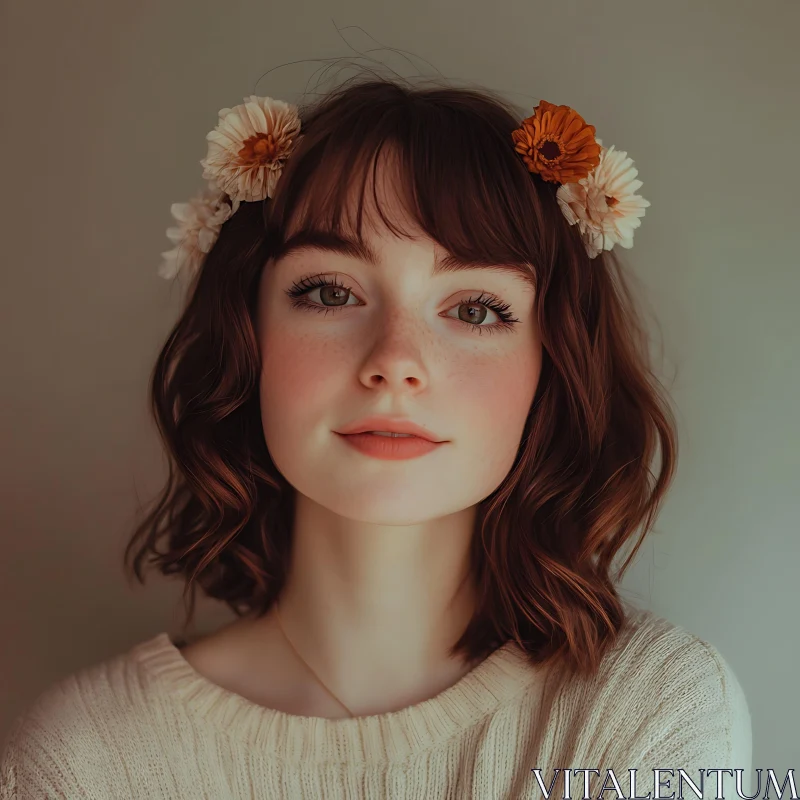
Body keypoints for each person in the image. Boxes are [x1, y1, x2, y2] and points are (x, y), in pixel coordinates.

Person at [0, 74, 752, 799]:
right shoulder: (84, 761)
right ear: (248, 336)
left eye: (477, 309)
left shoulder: (653, 714)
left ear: (549, 365)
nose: (395, 361)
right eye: (331, 292)